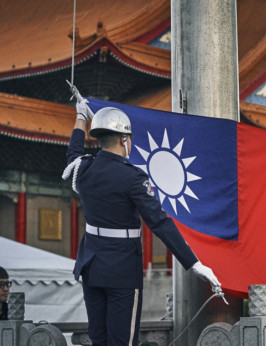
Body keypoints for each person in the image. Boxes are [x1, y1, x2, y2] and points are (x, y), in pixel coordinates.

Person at [64, 99, 222, 345]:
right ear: (123, 140)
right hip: (122, 271)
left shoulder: (83, 169)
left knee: (99, 340)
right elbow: (159, 223)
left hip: (92, 267)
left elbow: (72, 153)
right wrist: (193, 263)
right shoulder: (133, 178)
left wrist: (80, 117)